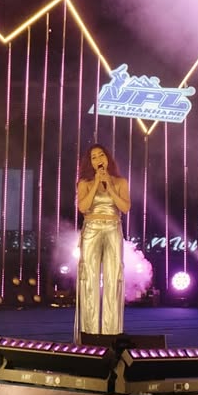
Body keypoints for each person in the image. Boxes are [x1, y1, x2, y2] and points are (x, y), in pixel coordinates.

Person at [74, 143, 131, 343]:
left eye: (101, 155)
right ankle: (89, 337)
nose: (98, 159)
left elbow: (125, 208)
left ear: (108, 159)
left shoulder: (121, 182)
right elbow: (83, 207)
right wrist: (96, 182)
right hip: (91, 229)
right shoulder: (84, 183)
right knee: (89, 281)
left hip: (113, 229)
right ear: (90, 163)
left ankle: (111, 337)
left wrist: (110, 186)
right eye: (94, 157)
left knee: (112, 281)